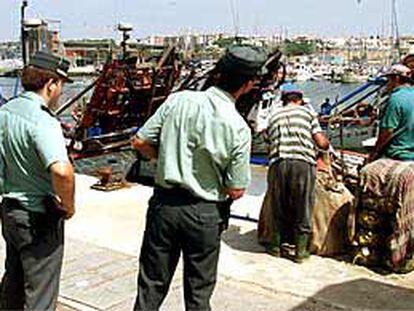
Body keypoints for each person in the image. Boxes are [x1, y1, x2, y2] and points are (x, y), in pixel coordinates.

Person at [130, 45, 267, 311]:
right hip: (204, 214)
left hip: (164, 206)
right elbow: (237, 189)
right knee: (198, 293)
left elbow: (140, 141)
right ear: (249, 84)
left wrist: (163, 159)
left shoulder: (178, 100)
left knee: (151, 286)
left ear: (218, 73)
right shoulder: (238, 126)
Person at [0, 50, 75, 310]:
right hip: (38, 217)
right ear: (51, 84)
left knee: (14, 283)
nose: (61, 93)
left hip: (10, 211)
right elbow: (62, 172)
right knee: (40, 293)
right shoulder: (43, 121)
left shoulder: (6, 111)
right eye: (61, 85)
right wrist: (68, 205)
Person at [264, 84, 329, 263]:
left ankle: (276, 247)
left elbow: (267, 139)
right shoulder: (308, 113)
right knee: (303, 206)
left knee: (278, 206)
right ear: (299, 99)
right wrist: (325, 144)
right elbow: (321, 143)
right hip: (302, 164)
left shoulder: (274, 115)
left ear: (283, 99)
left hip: (278, 164)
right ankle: (301, 252)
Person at [370, 64, 414, 161]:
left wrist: (374, 153)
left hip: (400, 154)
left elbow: (387, 132)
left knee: (366, 171)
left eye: (388, 80)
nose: (387, 84)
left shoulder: (395, 99)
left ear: (397, 79)